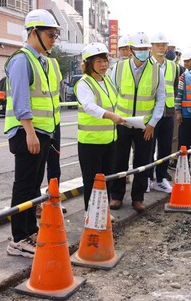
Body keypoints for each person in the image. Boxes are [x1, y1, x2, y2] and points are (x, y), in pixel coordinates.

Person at [4, 9, 61, 258]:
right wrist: (29, 132)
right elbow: (21, 100)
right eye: (50, 34)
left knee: (32, 187)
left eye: (55, 35)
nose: (53, 39)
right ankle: (18, 238)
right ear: (33, 32)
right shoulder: (21, 60)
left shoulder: (42, 61)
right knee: (24, 186)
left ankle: (30, 230)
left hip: (41, 132)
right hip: (27, 133)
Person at [109, 32, 165, 212]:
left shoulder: (157, 69)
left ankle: (138, 198)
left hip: (145, 126)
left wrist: (152, 123)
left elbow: (160, 98)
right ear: (131, 50)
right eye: (139, 49)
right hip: (122, 123)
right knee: (119, 161)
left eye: (145, 49)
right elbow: (111, 95)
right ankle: (117, 196)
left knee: (142, 163)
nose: (143, 52)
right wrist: (113, 119)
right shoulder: (118, 68)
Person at [76, 42, 124, 211]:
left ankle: (103, 213)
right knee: (91, 181)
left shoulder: (107, 80)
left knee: (107, 179)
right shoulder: (84, 83)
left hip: (109, 140)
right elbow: (89, 106)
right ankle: (91, 214)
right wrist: (112, 116)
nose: (104, 65)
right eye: (99, 61)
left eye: (105, 61)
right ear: (88, 64)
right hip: (91, 142)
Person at [148, 33, 177, 193]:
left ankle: (160, 179)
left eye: (163, 45)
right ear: (151, 47)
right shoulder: (147, 64)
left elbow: (174, 87)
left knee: (165, 147)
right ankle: (147, 178)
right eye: (158, 44)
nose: (161, 47)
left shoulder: (173, 66)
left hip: (168, 111)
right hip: (151, 112)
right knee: (148, 148)